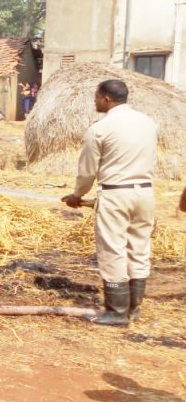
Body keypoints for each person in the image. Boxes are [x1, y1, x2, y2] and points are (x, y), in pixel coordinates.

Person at [62, 79, 158, 326]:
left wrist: (77, 196)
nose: (95, 101)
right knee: (139, 248)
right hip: (145, 193)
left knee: (113, 250)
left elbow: (87, 171)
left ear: (106, 98)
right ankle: (133, 309)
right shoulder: (148, 123)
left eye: (96, 97)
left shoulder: (100, 129)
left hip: (115, 194)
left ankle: (116, 312)